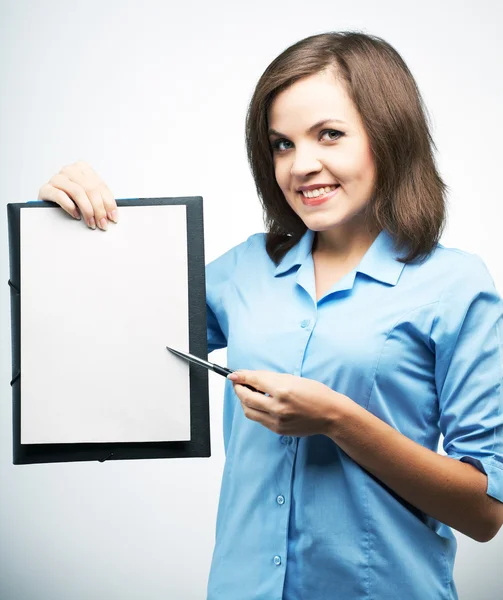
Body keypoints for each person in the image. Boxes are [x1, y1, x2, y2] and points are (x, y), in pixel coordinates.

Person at [36, 31, 503, 600]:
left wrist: (338, 419)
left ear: (389, 135)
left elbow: (485, 512)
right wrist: (72, 224)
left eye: (329, 135)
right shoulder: (241, 270)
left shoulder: (453, 284)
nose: (301, 165)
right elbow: (103, 342)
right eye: (282, 144)